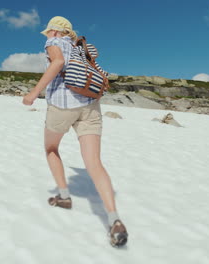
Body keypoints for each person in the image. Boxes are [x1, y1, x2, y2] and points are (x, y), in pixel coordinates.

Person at [22, 16, 128, 247]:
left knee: (51, 148)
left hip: (62, 105)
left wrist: (33, 93)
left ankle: (64, 197)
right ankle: (114, 218)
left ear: (55, 31)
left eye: (49, 32)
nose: (47, 36)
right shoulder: (81, 48)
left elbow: (57, 63)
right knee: (94, 162)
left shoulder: (55, 44)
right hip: (90, 105)